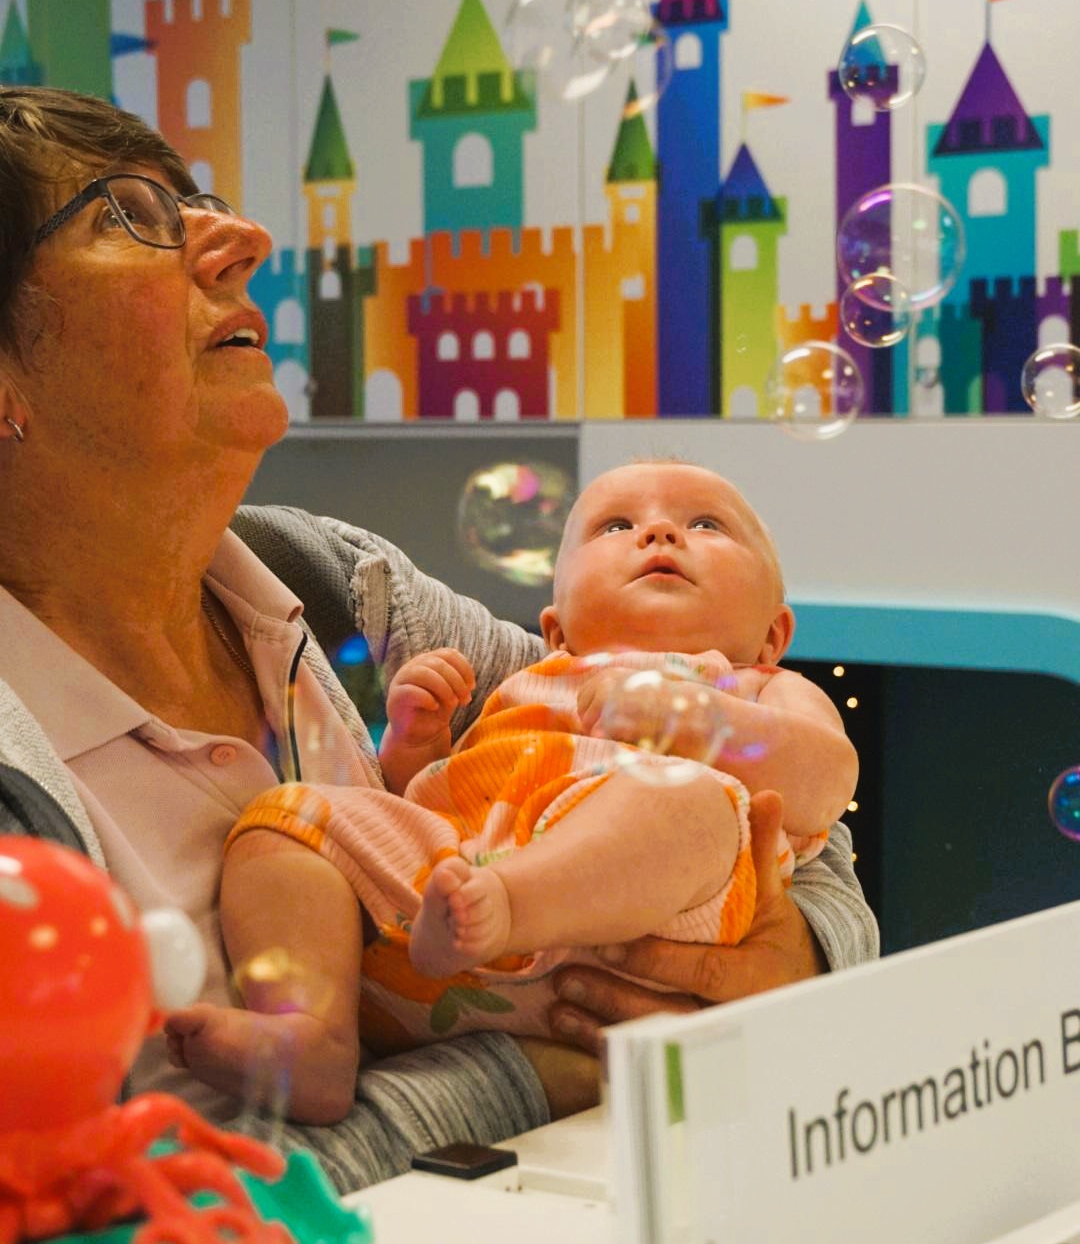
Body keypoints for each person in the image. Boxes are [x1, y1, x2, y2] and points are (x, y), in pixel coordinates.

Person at [0, 85, 878, 1187]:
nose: (242, 242)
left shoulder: (338, 584)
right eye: (126, 215)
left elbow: (773, 788)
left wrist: (798, 952)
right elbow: (106, 1226)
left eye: (199, 203)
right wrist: (529, 1072)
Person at [168, 463, 859, 1120]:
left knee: (684, 799)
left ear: (773, 636)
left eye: (707, 524)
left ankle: (508, 902)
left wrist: (689, 719)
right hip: (453, 928)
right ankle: (309, 1035)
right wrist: (417, 745)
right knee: (287, 819)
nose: (659, 533)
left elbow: (828, 781)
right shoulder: (527, 681)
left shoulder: (758, 685)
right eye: (616, 526)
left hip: (639, 928)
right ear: (555, 630)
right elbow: (441, 807)